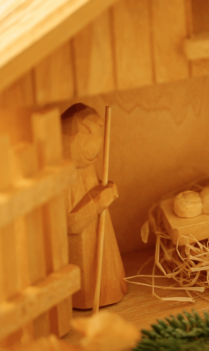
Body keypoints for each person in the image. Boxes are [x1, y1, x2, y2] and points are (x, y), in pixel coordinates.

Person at [61, 103, 127, 309]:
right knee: (86, 279)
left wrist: (106, 190)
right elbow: (70, 224)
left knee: (107, 266)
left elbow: (97, 189)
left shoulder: (88, 166)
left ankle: (112, 287)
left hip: (101, 238)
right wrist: (98, 201)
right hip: (80, 253)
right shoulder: (63, 176)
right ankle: (89, 298)